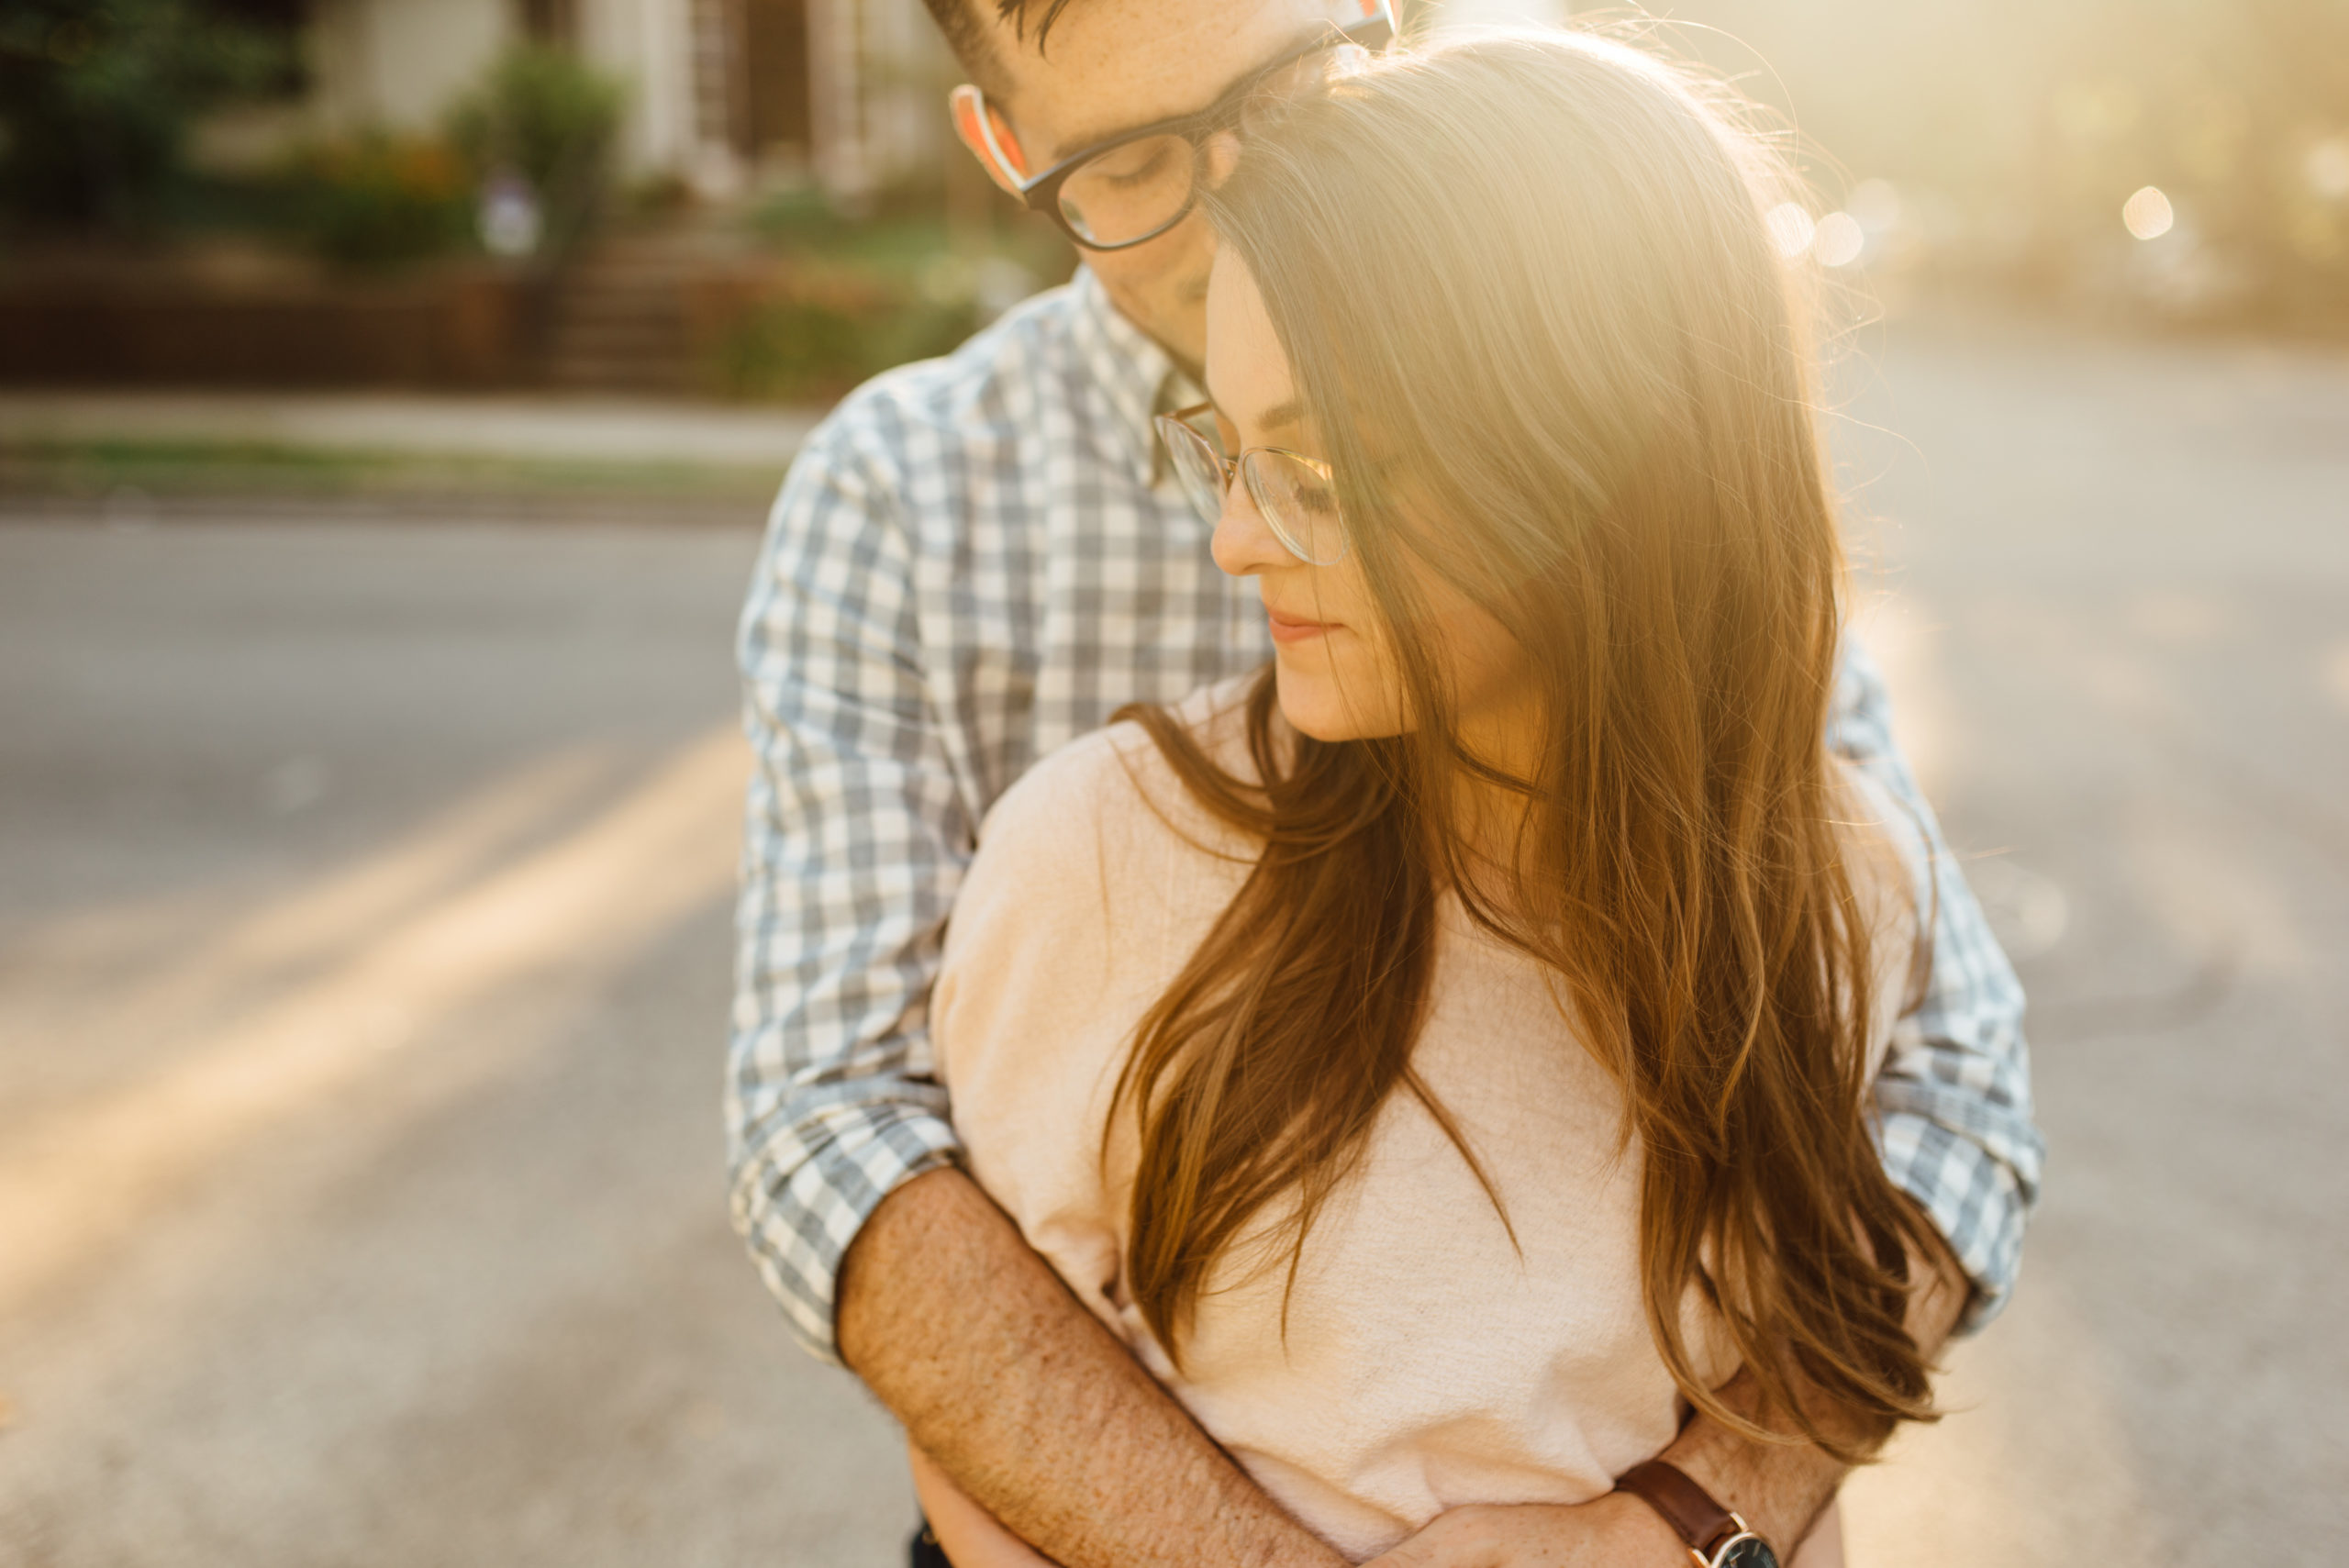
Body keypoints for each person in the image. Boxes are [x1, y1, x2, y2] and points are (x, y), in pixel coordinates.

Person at [727, 6, 2043, 1568]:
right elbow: (840, 1132)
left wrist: (1696, 1519)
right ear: (1011, 154)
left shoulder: (1771, 781)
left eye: (1285, 90)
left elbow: (1942, 1089)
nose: (1248, 185)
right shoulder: (922, 520)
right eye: (1140, 160)